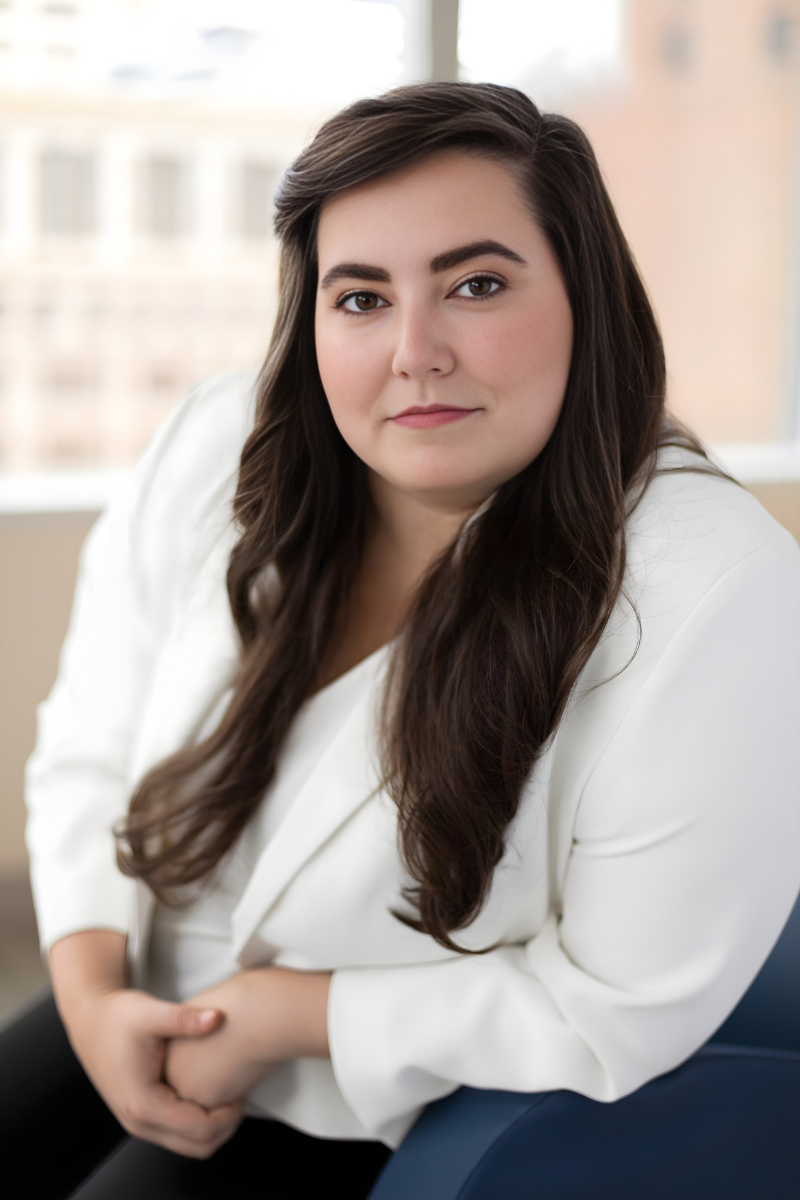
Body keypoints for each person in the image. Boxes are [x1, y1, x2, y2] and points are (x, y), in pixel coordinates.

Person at [4, 81, 800, 1199]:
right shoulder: (218, 446)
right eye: (362, 297)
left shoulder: (715, 590)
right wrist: (89, 991)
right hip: (133, 986)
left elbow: (618, 1002)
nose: (413, 352)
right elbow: (85, 743)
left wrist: (287, 1015)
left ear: (586, 296)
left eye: (475, 285)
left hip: (361, 1099)